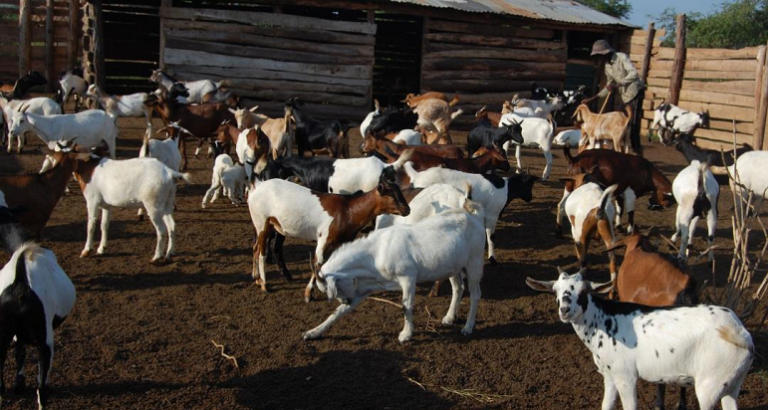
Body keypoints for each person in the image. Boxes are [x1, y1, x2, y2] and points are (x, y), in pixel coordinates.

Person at [582, 39, 646, 156]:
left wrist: (618, 84)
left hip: (635, 93)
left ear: (605, 53)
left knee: (632, 123)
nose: (599, 59)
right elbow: (609, 86)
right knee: (619, 121)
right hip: (625, 97)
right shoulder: (607, 66)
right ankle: (618, 150)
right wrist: (593, 98)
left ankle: (638, 152)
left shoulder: (621, 57)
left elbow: (633, 73)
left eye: (599, 55)